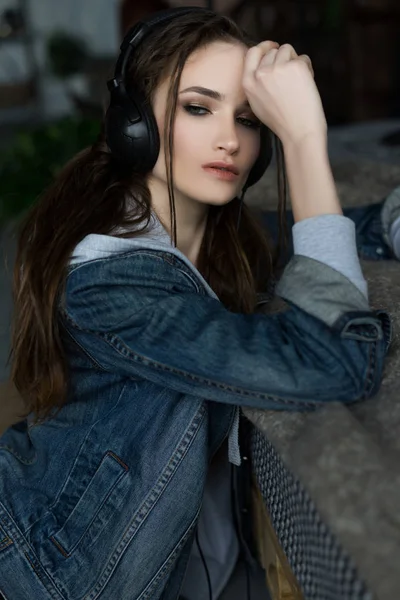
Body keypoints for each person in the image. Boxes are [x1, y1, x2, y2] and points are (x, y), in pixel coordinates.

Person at [0, 7, 395, 600]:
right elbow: (333, 362)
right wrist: (307, 138)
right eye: (198, 107)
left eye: (248, 118)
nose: (231, 140)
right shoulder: (112, 285)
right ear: (134, 124)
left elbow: (338, 231)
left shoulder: (213, 234)